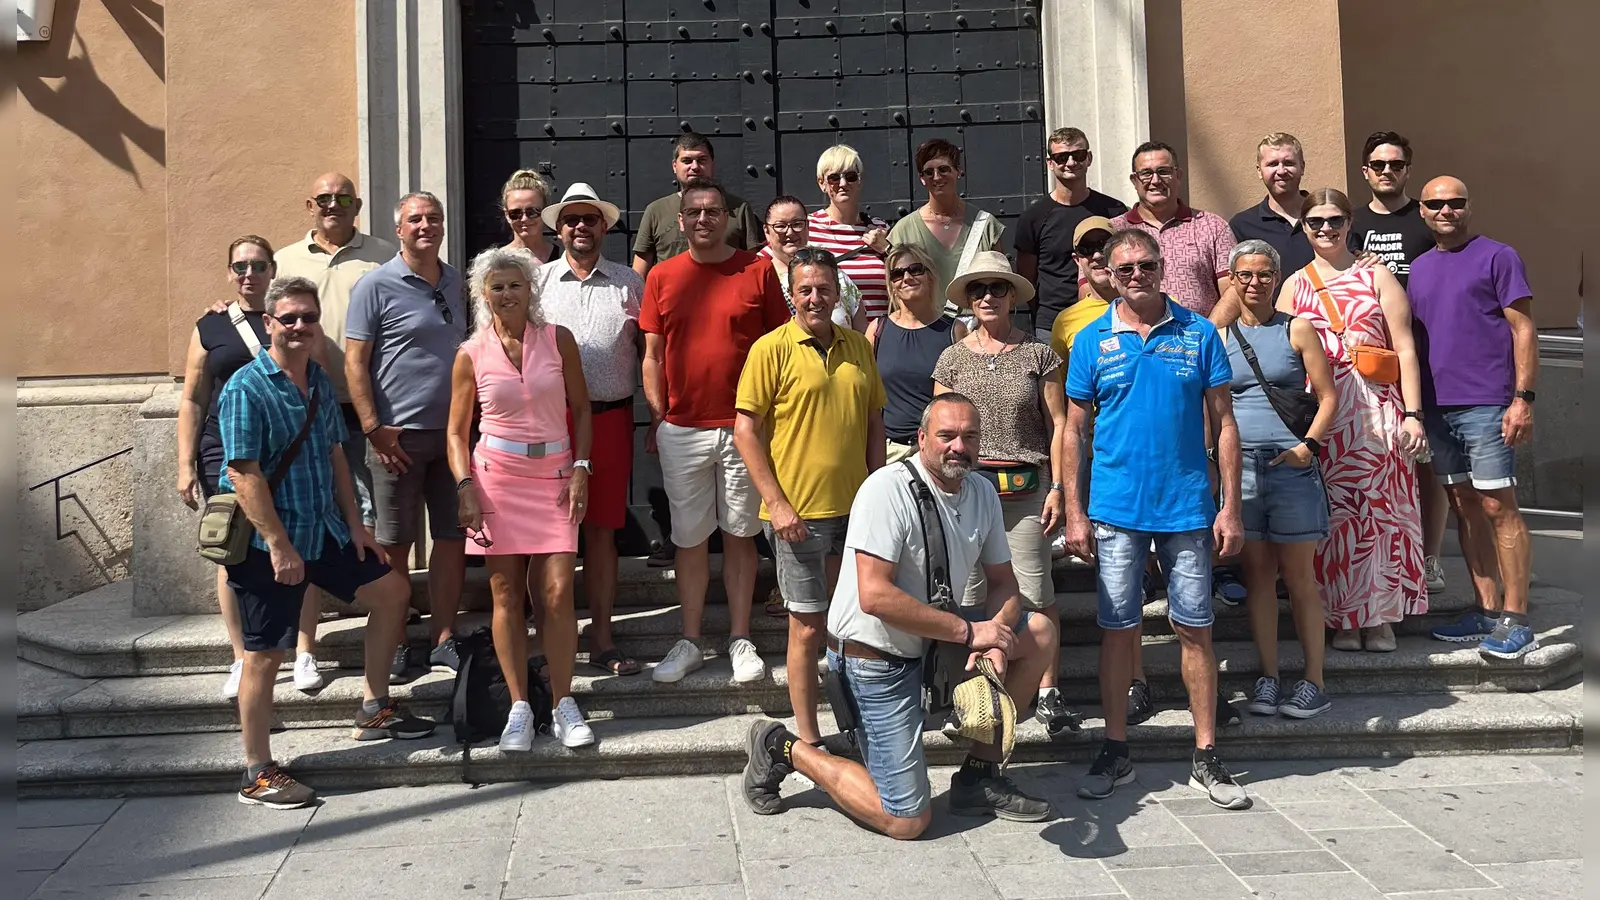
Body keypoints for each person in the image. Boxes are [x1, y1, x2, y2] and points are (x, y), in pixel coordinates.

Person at [740, 394, 1059, 837]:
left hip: (937, 642)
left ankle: (979, 778)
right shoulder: (886, 490)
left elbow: (1004, 584)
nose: (958, 447)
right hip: (876, 658)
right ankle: (783, 746)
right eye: (946, 435)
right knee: (908, 820)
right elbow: (874, 596)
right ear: (921, 439)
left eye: (969, 436)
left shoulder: (982, 490)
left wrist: (998, 636)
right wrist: (971, 632)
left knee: (1038, 630)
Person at [221, 276, 434, 810]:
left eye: (307, 318)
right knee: (265, 655)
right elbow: (244, 473)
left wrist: (358, 523)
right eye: (288, 318)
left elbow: (337, 454)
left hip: (326, 532)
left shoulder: (315, 378)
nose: (299, 327)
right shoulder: (247, 387)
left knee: (391, 594)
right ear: (268, 323)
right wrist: (277, 544)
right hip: (271, 542)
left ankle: (374, 706)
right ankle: (257, 771)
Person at [1062, 228, 1251, 810]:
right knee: (1119, 631)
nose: (1136, 275)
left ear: (1162, 266)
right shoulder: (1092, 340)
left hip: (1188, 507)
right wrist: (1073, 509)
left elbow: (1223, 423)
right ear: (1108, 276)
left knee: (1195, 628)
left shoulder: (1198, 333)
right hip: (1116, 510)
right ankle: (1116, 748)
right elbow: (1071, 430)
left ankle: (1206, 752)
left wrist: (1231, 505)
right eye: (1125, 269)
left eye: (1146, 265)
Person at [733, 247, 886, 746]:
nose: (816, 297)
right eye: (806, 289)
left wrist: (877, 489)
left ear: (839, 291)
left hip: (856, 512)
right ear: (791, 295)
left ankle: (858, 725)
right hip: (798, 516)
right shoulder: (769, 349)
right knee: (806, 627)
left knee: (852, 625)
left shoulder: (859, 347)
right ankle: (808, 738)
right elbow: (746, 432)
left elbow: (874, 422)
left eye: (824, 288)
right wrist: (776, 503)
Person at [641, 178, 790, 684]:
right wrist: (659, 414)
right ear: (679, 221)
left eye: (712, 211)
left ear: (727, 217)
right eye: (694, 212)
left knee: (741, 534)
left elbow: (778, 347)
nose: (703, 219)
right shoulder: (661, 275)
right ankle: (690, 639)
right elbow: (653, 354)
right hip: (683, 428)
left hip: (744, 427)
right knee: (689, 539)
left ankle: (740, 637)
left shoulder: (758, 269)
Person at [449, 247, 597, 750]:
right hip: (496, 477)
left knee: (556, 593)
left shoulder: (558, 340)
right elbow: (455, 432)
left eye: (515, 284)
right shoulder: (470, 353)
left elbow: (582, 409)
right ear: (482, 294)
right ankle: (517, 705)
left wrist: (581, 467)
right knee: (505, 594)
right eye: (497, 287)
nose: (507, 293)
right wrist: (465, 484)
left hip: (556, 475)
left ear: (531, 288)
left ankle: (562, 702)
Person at [1278, 188, 1427, 652]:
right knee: (1335, 518)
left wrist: (1414, 414)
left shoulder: (1376, 274)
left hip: (1377, 409)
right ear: (1304, 227)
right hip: (1324, 416)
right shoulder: (1294, 284)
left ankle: (1379, 618)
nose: (1326, 229)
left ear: (1348, 222)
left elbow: (1404, 346)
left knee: (1381, 514)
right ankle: (1343, 618)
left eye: (1335, 219)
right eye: (1316, 221)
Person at [179, 237, 324, 698]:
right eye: (240, 265)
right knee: (233, 544)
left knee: (305, 540)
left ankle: (304, 650)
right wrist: (184, 463)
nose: (249, 273)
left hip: (286, 445)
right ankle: (241, 656)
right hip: (225, 448)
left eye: (259, 265)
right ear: (229, 272)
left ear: (272, 269)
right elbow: (192, 397)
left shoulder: (291, 316)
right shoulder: (210, 324)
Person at [931, 252, 1071, 727]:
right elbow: (938, 429)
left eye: (996, 288)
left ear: (1013, 294)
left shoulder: (1039, 354)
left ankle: (1047, 690)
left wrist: (1058, 488)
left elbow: (1059, 423)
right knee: (969, 593)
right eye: (977, 290)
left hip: (1026, 490)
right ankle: (975, 695)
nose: (986, 297)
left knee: (1033, 587)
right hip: (966, 490)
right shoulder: (951, 357)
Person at [1409, 177, 1540, 659]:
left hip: (1487, 403)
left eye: (1455, 202)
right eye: (1436, 204)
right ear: (1421, 211)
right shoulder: (1418, 269)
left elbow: (1523, 328)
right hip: (1436, 407)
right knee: (1464, 507)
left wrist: (1523, 398)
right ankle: (1486, 610)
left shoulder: (1498, 256)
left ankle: (1516, 616)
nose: (1446, 210)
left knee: (1497, 506)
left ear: (1469, 207)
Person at [345, 191, 470, 681]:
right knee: (395, 546)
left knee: (452, 540)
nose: (426, 226)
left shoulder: (459, 283)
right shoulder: (374, 285)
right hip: (395, 440)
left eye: (434, 218)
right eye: (415, 219)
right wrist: (373, 428)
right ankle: (395, 638)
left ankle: (443, 637)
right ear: (399, 229)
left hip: (454, 437)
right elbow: (356, 361)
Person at [1222, 240, 1340, 718]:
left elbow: (1328, 396)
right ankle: (1269, 677)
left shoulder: (1298, 328)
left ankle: (1314, 680)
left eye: (1264, 274)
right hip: (1241, 468)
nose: (1254, 283)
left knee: (1300, 579)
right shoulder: (1219, 335)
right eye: (1245, 275)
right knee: (1258, 579)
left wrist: (1306, 447)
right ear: (1231, 280)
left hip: (1290, 467)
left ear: (1276, 278)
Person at [538, 183, 646, 676]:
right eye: (571, 220)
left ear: (605, 225)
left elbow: (651, 352)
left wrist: (659, 412)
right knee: (548, 534)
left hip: (610, 419)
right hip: (548, 424)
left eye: (590, 219)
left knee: (602, 533)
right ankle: (548, 636)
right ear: (558, 228)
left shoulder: (629, 282)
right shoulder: (535, 282)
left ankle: (601, 635)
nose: (580, 227)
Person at [1351, 131, 1451, 595]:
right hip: (1372, 368)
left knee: (1428, 463)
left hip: (1426, 355)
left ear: (1407, 170)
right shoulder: (1349, 223)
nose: (1386, 171)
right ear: (1365, 171)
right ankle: (1382, 560)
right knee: (1380, 463)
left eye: (1395, 164)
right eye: (1378, 164)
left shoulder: (1427, 218)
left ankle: (1429, 558)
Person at [273, 172, 397, 536]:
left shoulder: (384, 255)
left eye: (343, 199)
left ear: (357, 207)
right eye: (324, 199)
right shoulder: (284, 260)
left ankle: (371, 585)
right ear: (310, 207)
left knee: (371, 502)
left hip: (370, 401)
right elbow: (260, 311)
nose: (333, 205)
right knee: (317, 495)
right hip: (305, 400)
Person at [1016, 126, 1129, 342]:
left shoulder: (1114, 211)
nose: (1070, 163)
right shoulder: (1033, 217)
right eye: (1061, 157)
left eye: (1077, 155)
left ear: (1089, 158)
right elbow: (1026, 278)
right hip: (1053, 323)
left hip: (1108, 314)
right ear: (1050, 163)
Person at [1112, 141, 1236, 317]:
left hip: (1199, 340)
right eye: (1146, 173)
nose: (1155, 180)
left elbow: (1232, 290)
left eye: (1164, 172)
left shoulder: (1213, 226)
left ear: (1178, 175)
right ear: (1134, 180)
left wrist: (1206, 331)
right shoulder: (1114, 230)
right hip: (1133, 340)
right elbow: (1095, 293)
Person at [868, 244, 967, 464]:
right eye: (897, 273)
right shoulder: (877, 330)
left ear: (930, 276)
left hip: (938, 451)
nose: (907, 277)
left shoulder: (954, 330)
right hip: (889, 451)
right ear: (891, 285)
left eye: (915, 269)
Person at [632, 132, 762, 277]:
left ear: (713, 164)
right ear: (675, 166)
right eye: (687, 161)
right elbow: (639, 276)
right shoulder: (655, 210)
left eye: (702, 160)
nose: (695, 167)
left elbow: (752, 266)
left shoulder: (739, 208)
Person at [888, 139, 1006, 295]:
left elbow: (1000, 284)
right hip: (926, 319)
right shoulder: (903, 231)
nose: (936, 177)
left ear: (958, 171)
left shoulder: (985, 225)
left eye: (943, 169)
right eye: (929, 172)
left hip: (977, 318)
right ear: (921, 178)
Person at [809, 144, 893, 320]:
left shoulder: (880, 229)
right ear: (821, 183)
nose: (843, 184)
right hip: (830, 340)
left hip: (877, 338)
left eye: (851, 176)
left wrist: (887, 249)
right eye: (833, 178)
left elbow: (903, 276)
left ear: (860, 180)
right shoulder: (808, 228)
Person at [759, 196, 866, 331]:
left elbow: (862, 335)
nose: (790, 232)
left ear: (807, 227)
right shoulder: (760, 279)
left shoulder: (834, 273)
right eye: (780, 226)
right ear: (767, 231)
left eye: (797, 224)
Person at [1229, 134, 1315, 278]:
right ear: (1259, 171)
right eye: (1272, 164)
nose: (1281, 171)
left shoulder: (1327, 218)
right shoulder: (1242, 226)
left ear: (1302, 167)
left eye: (1288, 163)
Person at [1046, 217, 1117, 363]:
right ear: (1077, 260)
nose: (1097, 255)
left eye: (1104, 246)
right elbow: (1059, 382)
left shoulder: (1149, 305)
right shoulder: (1065, 321)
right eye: (1086, 249)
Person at [500, 168, 562, 263]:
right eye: (516, 213)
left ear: (544, 211)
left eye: (532, 212)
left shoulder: (563, 258)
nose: (524, 219)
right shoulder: (497, 262)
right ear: (507, 215)